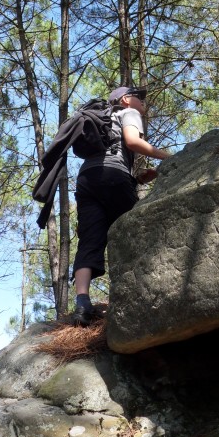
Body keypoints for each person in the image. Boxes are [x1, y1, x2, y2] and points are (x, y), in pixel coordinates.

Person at [72, 85, 171, 326]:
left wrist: (138, 178)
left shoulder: (105, 120)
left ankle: (82, 303)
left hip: (86, 179)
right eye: (139, 97)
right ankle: (140, 292)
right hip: (113, 175)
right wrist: (169, 157)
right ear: (126, 100)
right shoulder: (128, 113)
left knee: (89, 240)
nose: (143, 102)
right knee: (134, 231)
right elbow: (132, 142)